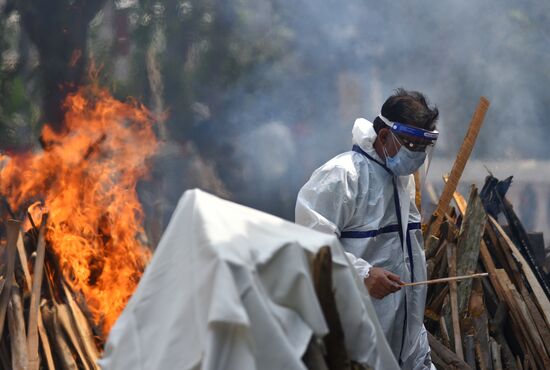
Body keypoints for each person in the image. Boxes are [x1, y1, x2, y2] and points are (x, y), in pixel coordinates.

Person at [295, 89, 439, 369]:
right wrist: (363, 274)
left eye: (422, 147)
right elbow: (308, 247)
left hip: (406, 345)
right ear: (384, 136)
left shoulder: (403, 180)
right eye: (411, 144)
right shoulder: (341, 176)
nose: (417, 155)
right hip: (355, 343)